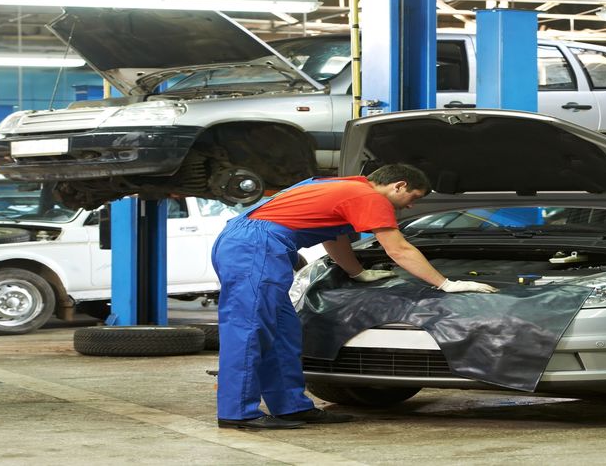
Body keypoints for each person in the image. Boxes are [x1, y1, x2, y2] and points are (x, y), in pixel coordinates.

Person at [211, 163, 498, 430]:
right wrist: (445, 283)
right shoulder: (369, 197)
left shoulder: (339, 186)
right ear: (399, 185)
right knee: (249, 329)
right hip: (254, 246)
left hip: (252, 242)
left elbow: (333, 237)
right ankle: (237, 413)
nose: (411, 205)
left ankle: (291, 408)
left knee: (283, 332)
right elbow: (399, 249)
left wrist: (357, 272)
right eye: (413, 197)